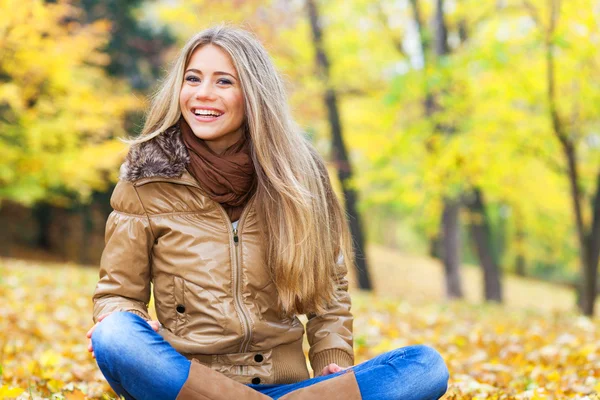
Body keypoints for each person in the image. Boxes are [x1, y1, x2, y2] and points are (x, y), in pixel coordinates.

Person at [86, 25, 449, 400]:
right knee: (114, 335)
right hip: (185, 382)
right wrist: (127, 319)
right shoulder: (146, 178)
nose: (202, 94)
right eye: (192, 78)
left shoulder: (299, 173)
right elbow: (118, 293)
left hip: (288, 385)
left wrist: (332, 357)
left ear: (255, 94)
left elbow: (329, 291)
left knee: (425, 365)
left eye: (224, 81)